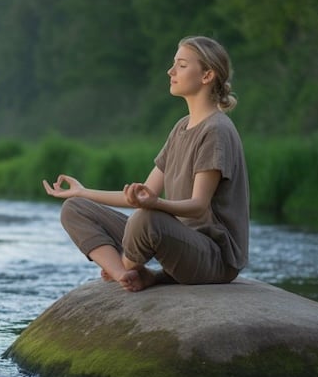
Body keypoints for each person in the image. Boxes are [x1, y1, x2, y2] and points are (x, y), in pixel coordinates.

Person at [42, 35, 249, 292]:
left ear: (207, 75)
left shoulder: (216, 130)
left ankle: (130, 266)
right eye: (174, 64)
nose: (170, 71)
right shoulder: (181, 127)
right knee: (74, 209)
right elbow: (140, 196)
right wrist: (82, 192)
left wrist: (155, 204)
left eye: (182, 65)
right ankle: (124, 275)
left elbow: (198, 207)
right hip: (177, 243)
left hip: (213, 258)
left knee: (146, 219)